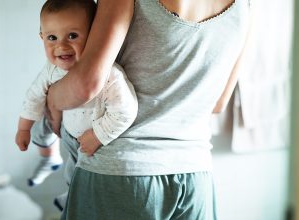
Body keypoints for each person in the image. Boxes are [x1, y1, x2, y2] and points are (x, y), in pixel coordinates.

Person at [45, 0, 253, 219]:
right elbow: (219, 103)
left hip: (121, 173)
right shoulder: (246, 5)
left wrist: (51, 98)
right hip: (194, 175)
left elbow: (87, 84)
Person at [15, 0, 138, 211]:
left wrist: (98, 135)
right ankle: (49, 157)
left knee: (76, 175)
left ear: (93, 36)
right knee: (39, 120)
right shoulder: (51, 70)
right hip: (68, 131)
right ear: (41, 37)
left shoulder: (108, 74)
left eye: (73, 36)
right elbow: (34, 95)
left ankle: (70, 198)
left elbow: (125, 111)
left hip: (90, 139)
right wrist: (23, 127)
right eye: (52, 38)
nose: (62, 46)